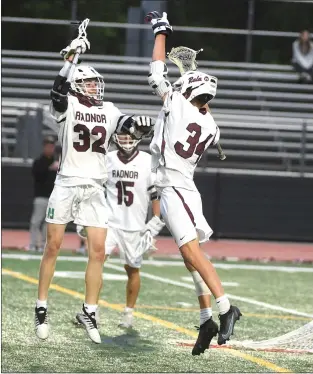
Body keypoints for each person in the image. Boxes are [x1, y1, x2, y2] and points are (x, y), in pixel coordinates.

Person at [34, 33, 154, 344]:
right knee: (53, 246)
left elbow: (127, 125)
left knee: (98, 252)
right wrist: (71, 58)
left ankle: (90, 310)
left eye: (94, 83)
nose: (93, 87)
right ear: (78, 85)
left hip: (95, 187)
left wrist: (141, 123)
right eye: (88, 83)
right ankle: (41, 306)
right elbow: (57, 91)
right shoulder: (69, 102)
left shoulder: (109, 108)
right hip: (68, 182)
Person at [145, 11, 242, 352]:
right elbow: (204, 111)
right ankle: (206, 320)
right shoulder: (212, 127)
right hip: (183, 186)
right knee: (190, 258)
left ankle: (227, 308)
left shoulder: (178, 103)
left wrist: (161, 31)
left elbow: (157, 70)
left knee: (190, 253)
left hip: (175, 186)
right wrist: (192, 83)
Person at [76, 134, 165, 329]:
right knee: (97, 262)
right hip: (108, 222)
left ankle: (128, 313)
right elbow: (94, 188)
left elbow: (155, 193)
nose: (126, 139)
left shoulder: (147, 160)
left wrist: (156, 218)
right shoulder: (107, 158)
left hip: (135, 225)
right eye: (122, 135)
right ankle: (92, 310)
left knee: (132, 270)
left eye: (129, 135)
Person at [27, 136, 58, 252]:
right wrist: (50, 168)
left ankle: (45, 245)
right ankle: (33, 244)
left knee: (48, 223)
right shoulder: (39, 162)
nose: (50, 148)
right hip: (40, 197)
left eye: (51, 146)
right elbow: (37, 176)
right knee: (35, 222)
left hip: (53, 198)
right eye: (48, 146)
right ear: (44, 147)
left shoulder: (57, 162)